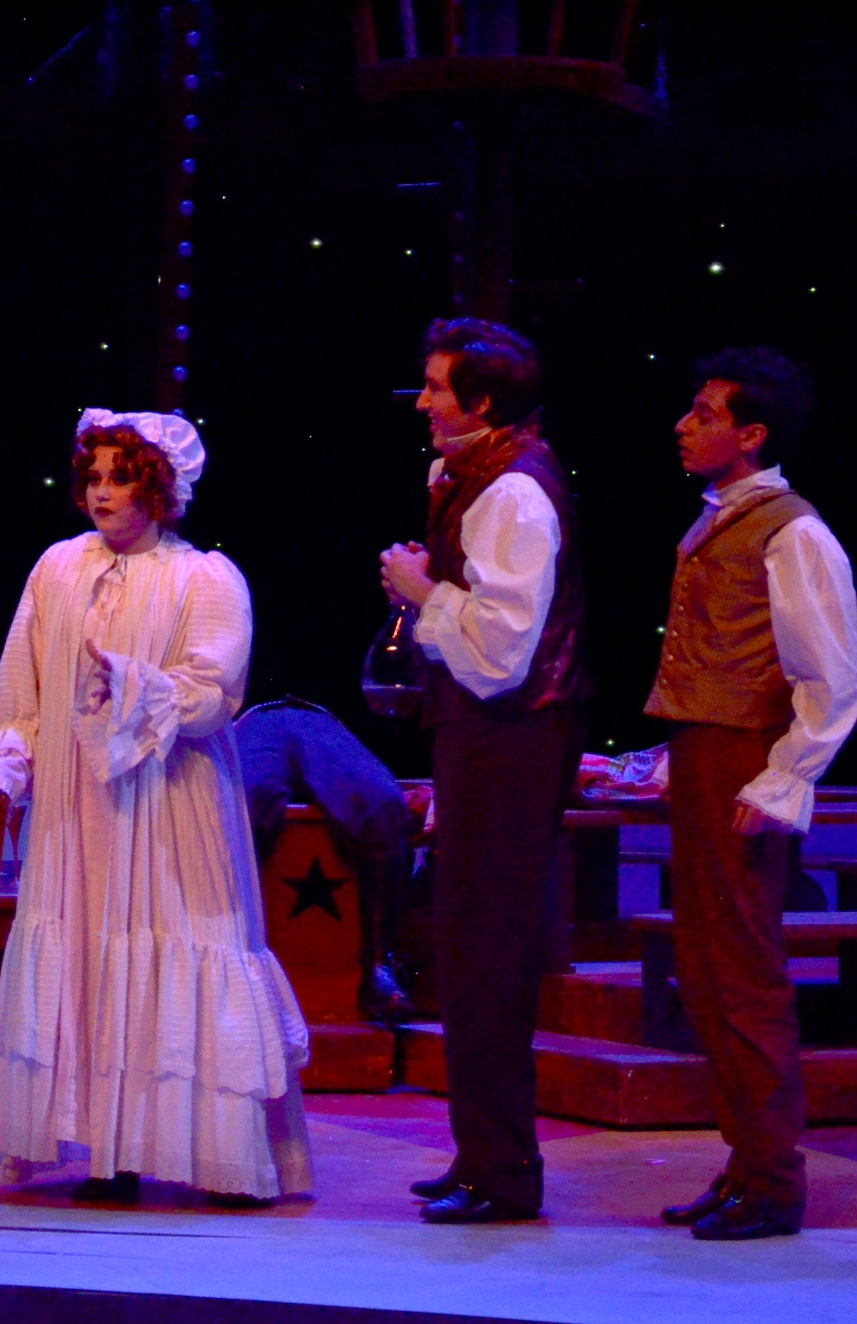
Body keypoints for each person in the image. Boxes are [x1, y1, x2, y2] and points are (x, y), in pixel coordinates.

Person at [0, 408, 312, 1207]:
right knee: (88, 960)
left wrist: (129, 684)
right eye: (93, 477)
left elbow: (212, 695)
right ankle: (108, 1155)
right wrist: (11, 763)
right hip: (77, 810)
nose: (101, 492)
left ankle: (222, 1159)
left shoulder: (206, 578)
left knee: (185, 946)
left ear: (158, 488)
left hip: (169, 804)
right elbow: (23, 690)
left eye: (121, 478)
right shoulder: (57, 568)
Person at [645, 348, 857, 1240]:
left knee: (743, 977)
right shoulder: (722, 519)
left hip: (745, 765)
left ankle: (773, 1179)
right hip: (708, 756)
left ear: (752, 433)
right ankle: (745, 1164)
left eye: (705, 413)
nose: (684, 425)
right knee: (705, 974)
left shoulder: (794, 532)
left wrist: (784, 779)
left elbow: (831, 676)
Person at [378, 319, 593, 1223]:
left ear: (483, 402)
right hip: (482, 730)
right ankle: (482, 1157)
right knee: (469, 945)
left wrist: (424, 593)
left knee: (492, 948)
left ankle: (501, 1173)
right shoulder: (474, 477)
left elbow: (505, 651)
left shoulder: (514, 493)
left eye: (436, 387)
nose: (422, 402)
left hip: (513, 733)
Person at [233, 696, 414, 1022]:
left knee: (381, 803)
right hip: (251, 712)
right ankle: (230, 965)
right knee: (237, 802)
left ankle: (379, 962)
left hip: (320, 716)